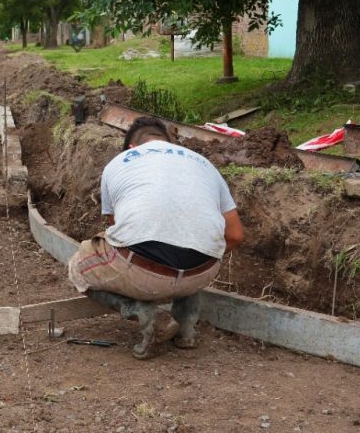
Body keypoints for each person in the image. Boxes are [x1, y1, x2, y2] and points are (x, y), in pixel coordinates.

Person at [68, 116, 244, 359]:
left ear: (131, 148)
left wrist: (154, 279)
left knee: (76, 266)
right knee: (188, 235)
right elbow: (235, 235)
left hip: (143, 274)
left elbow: (119, 234)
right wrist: (199, 259)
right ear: (169, 143)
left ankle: (142, 312)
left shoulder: (119, 163)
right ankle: (185, 330)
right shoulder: (204, 165)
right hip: (202, 273)